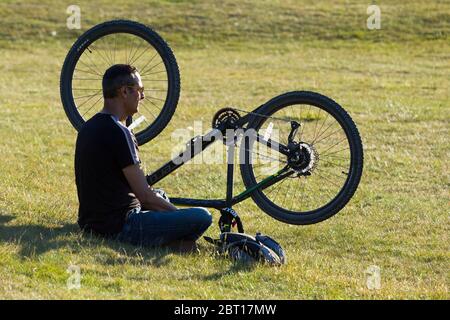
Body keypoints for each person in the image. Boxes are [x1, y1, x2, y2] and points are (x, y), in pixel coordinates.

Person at [74, 64, 212, 252]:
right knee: (201, 217)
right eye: (140, 90)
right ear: (125, 91)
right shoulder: (119, 132)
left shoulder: (88, 127)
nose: (143, 96)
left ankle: (174, 243)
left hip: (91, 223)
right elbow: (145, 196)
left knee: (161, 195)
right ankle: (175, 242)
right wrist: (179, 219)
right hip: (122, 226)